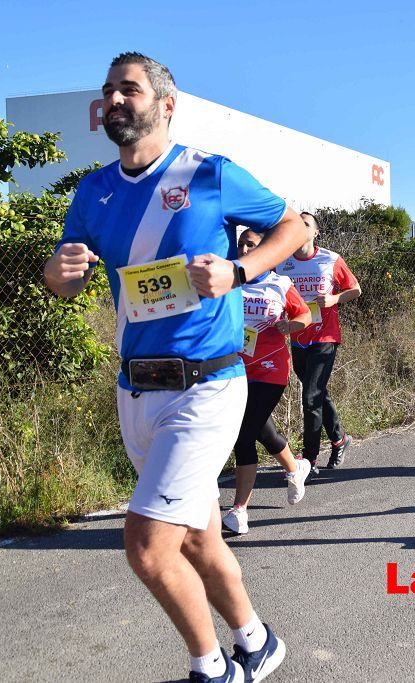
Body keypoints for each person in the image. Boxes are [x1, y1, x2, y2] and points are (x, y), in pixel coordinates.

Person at [43, 53, 308, 683]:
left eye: (128, 90)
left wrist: (238, 271)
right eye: (108, 91)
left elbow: (294, 226)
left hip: (207, 385)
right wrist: (55, 278)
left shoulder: (209, 174)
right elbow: (66, 278)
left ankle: (210, 666)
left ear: (166, 103)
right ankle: (257, 641)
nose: (114, 100)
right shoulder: (93, 191)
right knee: (196, 538)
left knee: (147, 546)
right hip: (136, 388)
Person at [222, 229, 313, 536]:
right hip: (232, 368)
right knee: (261, 429)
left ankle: (239, 510)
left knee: (244, 434)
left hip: (270, 369)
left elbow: (305, 316)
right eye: (242, 243)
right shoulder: (228, 279)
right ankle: (295, 467)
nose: (245, 248)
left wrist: (291, 324)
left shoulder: (280, 284)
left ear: (267, 250)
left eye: (252, 244)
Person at [275, 212, 361, 472]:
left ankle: (308, 459)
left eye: (306, 225)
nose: (301, 229)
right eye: (297, 225)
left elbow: (355, 289)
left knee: (310, 397)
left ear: (315, 233)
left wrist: (335, 299)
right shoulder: (282, 262)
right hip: (297, 337)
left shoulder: (331, 259)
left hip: (324, 336)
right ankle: (339, 439)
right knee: (317, 392)